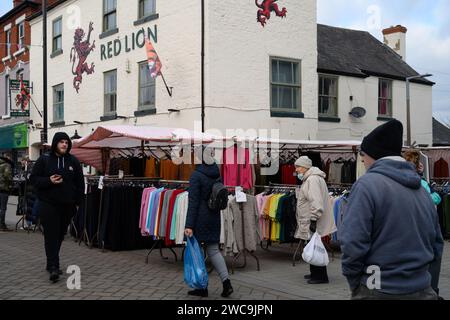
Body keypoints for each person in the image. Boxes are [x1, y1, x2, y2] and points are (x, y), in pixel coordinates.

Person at [339, 120, 444, 300]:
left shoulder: (366, 185)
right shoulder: (421, 189)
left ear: (371, 155)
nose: (362, 160)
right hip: (422, 288)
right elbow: (436, 244)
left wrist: (357, 284)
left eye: (362, 155)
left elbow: (352, 243)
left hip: (378, 286)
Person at [30, 132, 84, 283]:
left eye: (66, 142)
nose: (64, 144)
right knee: (51, 234)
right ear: (55, 143)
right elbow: (33, 179)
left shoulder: (73, 161)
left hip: (67, 205)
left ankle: (50, 262)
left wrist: (79, 202)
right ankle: (54, 266)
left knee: (60, 235)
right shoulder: (44, 159)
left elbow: (80, 183)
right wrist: (49, 180)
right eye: (61, 142)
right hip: (48, 204)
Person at [184, 147, 233, 298]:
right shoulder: (216, 173)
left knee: (197, 253)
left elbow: (193, 202)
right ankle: (227, 283)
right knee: (213, 250)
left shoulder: (196, 175)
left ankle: (202, 287)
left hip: (200, 217)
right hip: (214, 215)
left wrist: (189, 225)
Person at [403, 149, 443, 298]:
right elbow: (435, 198)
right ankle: (431, 291)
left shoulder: (397, 180)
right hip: (424, 225)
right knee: (432, 259)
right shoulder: (420, 182)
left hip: (407, 226)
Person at [294, 156, 336, 284]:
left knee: (316, 246)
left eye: (298, 167)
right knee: (312, 245)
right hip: (311, 219)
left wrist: (313, 219)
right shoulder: (311, 178)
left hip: (313, 220)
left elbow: (316, 201)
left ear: (306, 167)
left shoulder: (312, 179)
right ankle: (314, 272)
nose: (296, 170)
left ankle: (320, 276)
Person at [0, 154, 13, 231]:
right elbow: (7, 176)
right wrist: (11, 183)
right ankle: (2, 225)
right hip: (3, 189)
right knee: (3, 208)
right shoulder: (6, 165)